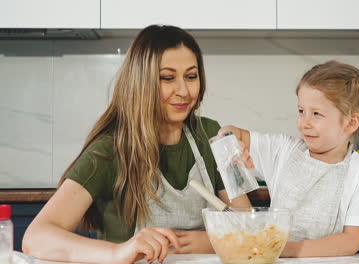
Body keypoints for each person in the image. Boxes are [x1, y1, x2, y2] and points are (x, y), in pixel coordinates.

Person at [22, 25, 251, 264]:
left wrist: (203, 240)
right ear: (142, 82)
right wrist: (119, 252)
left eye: (191, 76)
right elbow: (36, 237)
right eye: (167, 78)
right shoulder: (110, 150)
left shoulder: (210, 134)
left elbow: (249, 228)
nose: (183, 91)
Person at [221, 61, 359, 257]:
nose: (303, 123)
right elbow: (231, 132)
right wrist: (231, 144)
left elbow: (351, 241)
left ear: (350, 123)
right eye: (301, 111)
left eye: (316, 114)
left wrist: (284, 249)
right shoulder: (283, 149)